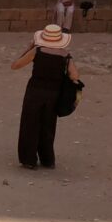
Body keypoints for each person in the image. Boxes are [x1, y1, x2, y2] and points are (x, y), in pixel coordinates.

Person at [11, 24, 80, 170]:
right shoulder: (65, 55)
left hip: (35, 91)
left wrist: (28, 49)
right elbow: (74, 75)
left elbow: (16, 65)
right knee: (48, 125)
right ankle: (47, 159)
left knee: (30, 124)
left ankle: (28, 159)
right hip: (53, 93)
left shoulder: (37, 51)